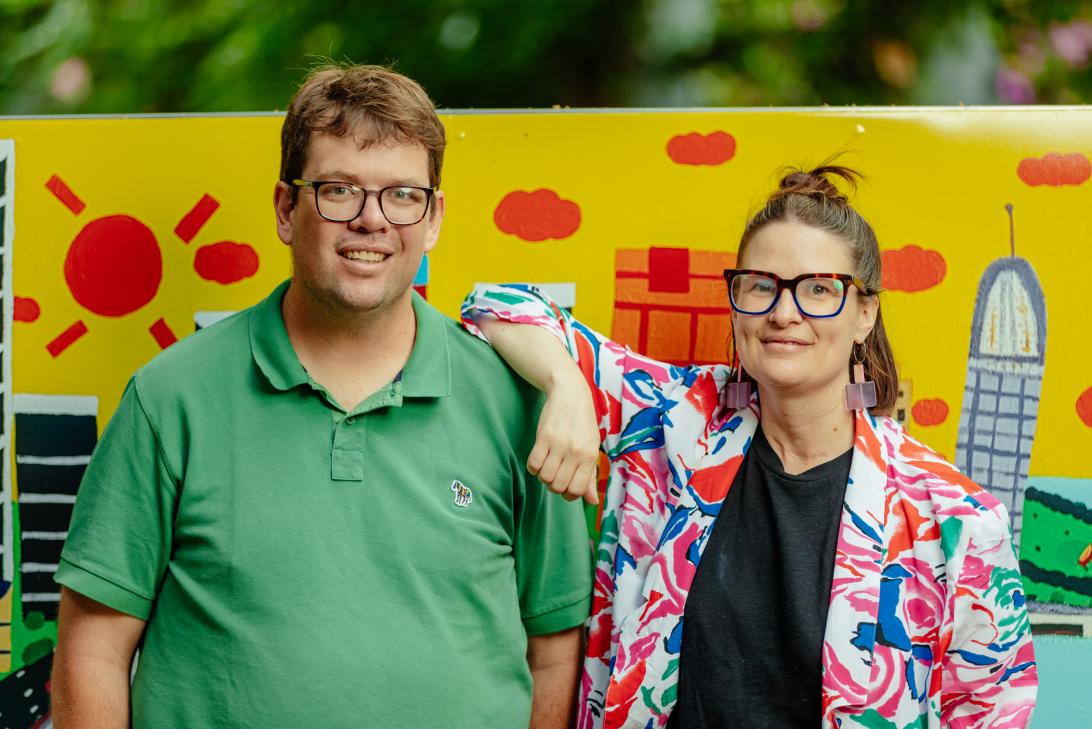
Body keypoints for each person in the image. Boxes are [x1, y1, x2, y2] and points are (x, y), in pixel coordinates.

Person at [51, 64, 591, 729]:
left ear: (433, 218)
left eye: (402, 195)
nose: (371, 220)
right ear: (286, 208)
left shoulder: (521, 406)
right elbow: (94, 648)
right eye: (339, 190)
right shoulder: (170, 399)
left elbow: (554, 652)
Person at [461, 166, 1038, 728]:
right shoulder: (673, 420)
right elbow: (494, 305)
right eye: (762, 286)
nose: (784, 313)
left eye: (818, 289)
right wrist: (565, 385)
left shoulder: (954, 521)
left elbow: (994, 710)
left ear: (865, 313)